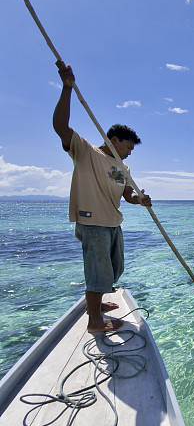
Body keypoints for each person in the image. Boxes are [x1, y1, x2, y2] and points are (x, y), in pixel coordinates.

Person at [53, 60, 151, 333]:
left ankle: (93, 304)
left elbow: (127, 193)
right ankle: (95, 321)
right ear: (115, 139)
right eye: (128, 147)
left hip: (112, 223)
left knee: (112, 271)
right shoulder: (85, 152)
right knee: (97, 274)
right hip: (92, 221)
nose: (130, 152)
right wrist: (67, 88)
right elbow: (60, 126)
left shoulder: (123, 167)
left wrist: (139, 200)